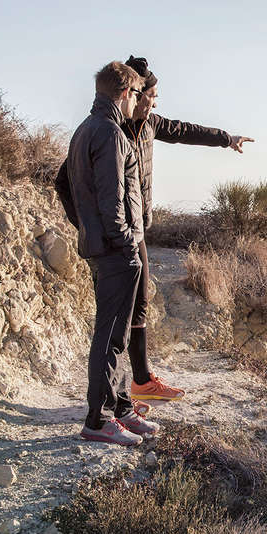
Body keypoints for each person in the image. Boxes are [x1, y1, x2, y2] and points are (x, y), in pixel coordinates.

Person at [55, 55, 254, 403]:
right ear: (133, 93)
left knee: (137, 305)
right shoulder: (109, 132)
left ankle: (136, 384)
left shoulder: (149, 125)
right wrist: (90, 227)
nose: (153, 105)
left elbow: (187, 131)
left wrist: (226, 139)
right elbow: (64, 181)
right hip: (115, 239)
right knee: (116, 319)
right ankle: (118, 398)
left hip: (134, 232)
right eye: (149, 98)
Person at [67, 61, 160, 445]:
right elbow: (112, 198)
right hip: (115, 250)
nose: (139, 101)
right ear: (126, 93)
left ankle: (120, 408)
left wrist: (87, 228)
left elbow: (67, 187)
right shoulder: (109, 133)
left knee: (117, 336)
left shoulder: (87, 129)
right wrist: (125, 244)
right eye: (138, 94)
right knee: (109, 337)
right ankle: (97, 418)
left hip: (104, 245)